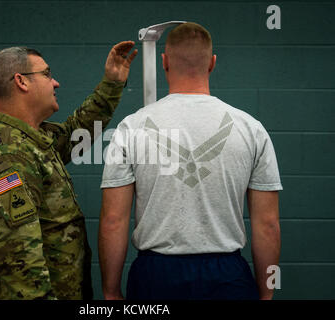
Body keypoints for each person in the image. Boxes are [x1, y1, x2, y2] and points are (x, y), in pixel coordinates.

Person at [98, 23, 282, 300]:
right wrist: (267, 294)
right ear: (213, 63)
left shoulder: (130, 128)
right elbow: (267, 224)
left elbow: (113, 220)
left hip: (156, 275)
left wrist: (111, 292)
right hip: (227, 275)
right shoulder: (251, 128)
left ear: (164, 61)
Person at [0, 41, 137, 300]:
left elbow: (78, 134)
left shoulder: (30, 140)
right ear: (21, 82)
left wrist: (112, 83)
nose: (56, 83)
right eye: (46, 74)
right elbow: (20, 259)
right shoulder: (6, 157)